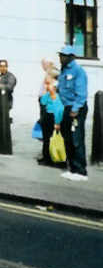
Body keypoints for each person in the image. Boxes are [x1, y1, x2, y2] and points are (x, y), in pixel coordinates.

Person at [57, 44, 89, 181]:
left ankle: (81, 171)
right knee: (68, 138)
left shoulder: (78, 71)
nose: (61, 58)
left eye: (63, 56)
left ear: (71, 57)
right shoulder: (64, 69)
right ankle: (72, 168)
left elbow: (81, 93)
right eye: (60, 55)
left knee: (76, 139)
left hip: (76, 109)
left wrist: (75, 109)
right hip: (67, 107)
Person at [0, 59, 16, 155]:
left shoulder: (11, 76)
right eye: (1, 66)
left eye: (5, 66)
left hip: (5, 104)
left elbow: (10, 87)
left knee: (4, 125)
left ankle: (4, 147)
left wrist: (1, 86)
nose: (3, 68)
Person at [37, 59, 60, 166]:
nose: (42, 65)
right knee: (46, 134)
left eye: (44, 63)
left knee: (49, 134)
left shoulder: (53, 73)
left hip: (50, 109)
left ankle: (50, 158)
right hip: (46, 107)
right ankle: (46, 156)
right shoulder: (49, 74)